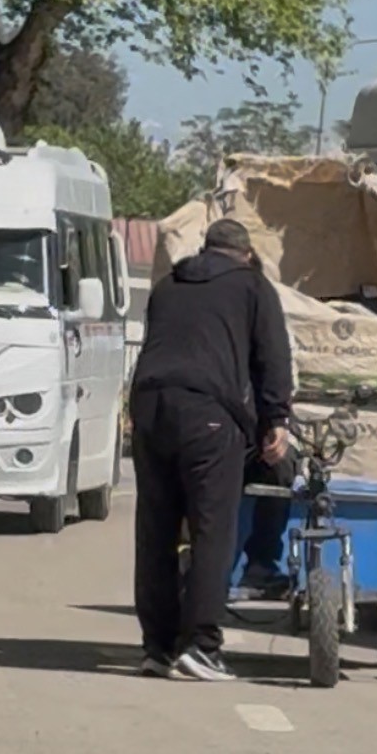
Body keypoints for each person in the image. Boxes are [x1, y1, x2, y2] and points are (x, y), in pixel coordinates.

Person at [129, 217, 293, 681]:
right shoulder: (252, 287)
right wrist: (275, 419)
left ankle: (157, 648)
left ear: (207, 249)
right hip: (208, 413)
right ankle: (201, 647)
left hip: (150, 406)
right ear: (245, 254)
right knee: (211, 530)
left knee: (156, 531)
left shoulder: (167, 286)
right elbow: (271, 358)